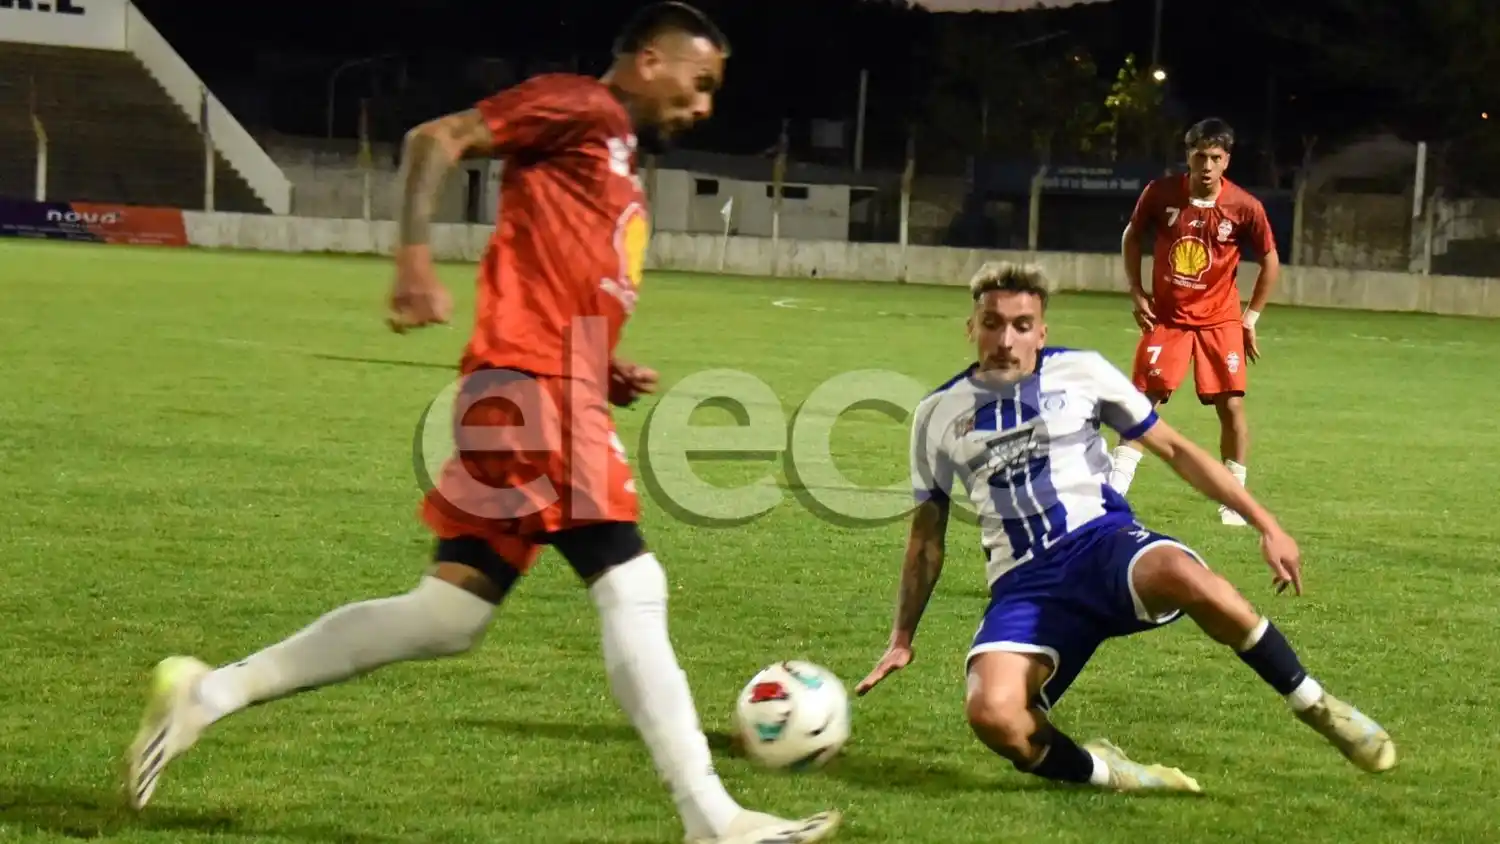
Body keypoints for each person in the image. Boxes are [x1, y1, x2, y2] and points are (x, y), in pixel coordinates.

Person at [124, 5, 841, 842]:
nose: (705, 104)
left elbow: (555, 271)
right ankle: (712, 819)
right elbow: (437, 138)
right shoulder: (582, 106)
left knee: (447, 615)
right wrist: (414, 258)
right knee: (632, 584)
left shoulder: (614, 155)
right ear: (650, 60)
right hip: (532, 387)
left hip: (541, 381)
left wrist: (601, 362)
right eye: (700, 82)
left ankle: (211, 692)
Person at [854, 261, 1394, 793]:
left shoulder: (1081, 371)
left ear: (1042, 330)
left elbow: (1177, 449)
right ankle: (1111, 774)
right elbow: (926, 537)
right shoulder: (936, 414)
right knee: (993, 715)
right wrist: (902, 637)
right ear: (972, 328)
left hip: (1104, 546)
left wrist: (1266, 524)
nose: (1006, 339)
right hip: (1025, 586)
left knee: (1190, 576)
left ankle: (1315, 704)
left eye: (1022, 325)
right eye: (993, 323)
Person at [1108, 118, 1281, 527]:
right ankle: (1115, 489)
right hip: (1168, 318)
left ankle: (1234, 499)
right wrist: (1135, 290)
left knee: (1232, 405)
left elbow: (1270, 259)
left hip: (1219, 320)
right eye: (1200, 156)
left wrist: (1249, 317)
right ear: (1188, 156)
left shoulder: (1244, 206)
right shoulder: (1161, 193)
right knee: (1142, 401)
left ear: (1226, 161)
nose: (1206, 165)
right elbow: (1133, 235)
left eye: (1215, 158)